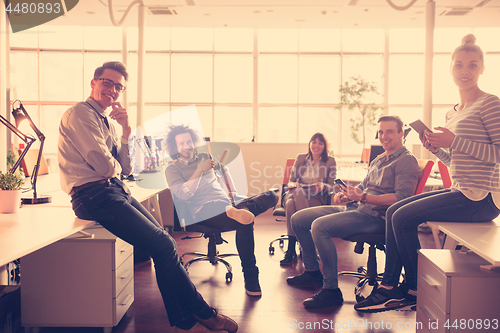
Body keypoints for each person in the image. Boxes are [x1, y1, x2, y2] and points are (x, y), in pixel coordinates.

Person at [58, 61, 237, 333]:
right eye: (107, 83)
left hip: (112, 189)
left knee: (164, 245)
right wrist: (114, 164)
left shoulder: (105, 120)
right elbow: (106, 166)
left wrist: (127, 129)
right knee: (164, 244)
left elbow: (125, 168)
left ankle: (185, 319)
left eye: (119, 87)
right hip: (93, 195)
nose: (113, 90)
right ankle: (204, 313)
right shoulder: (81, 114)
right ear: (93, 82)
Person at [354, 34, 500, 313]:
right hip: (461, 189)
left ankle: (410, 289)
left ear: (482, 68)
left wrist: (454, 141)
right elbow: (457, 159)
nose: (465, 71)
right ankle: (388, 286)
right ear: (451, 70)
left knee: (402, 216)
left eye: (472, 65)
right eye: (458, 65)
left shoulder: (490, 103)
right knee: (396, 210)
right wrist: (436, 149)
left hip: (482, 198)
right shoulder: (452, 113)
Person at [286, 116, 421, 309]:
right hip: (358, 207)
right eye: (381, 132)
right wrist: (348, 195)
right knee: (298, 219)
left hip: (376, 217)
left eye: (389, 131)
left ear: (402, 134)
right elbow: (364, 186)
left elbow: (401, 198)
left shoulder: (406, 160)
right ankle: (313, 271)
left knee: (319, 227)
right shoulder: (379, 158)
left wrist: (363, 197)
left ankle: (331, 290)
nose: (384, 136)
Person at [165, 124, 279, 297]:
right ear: (175, 147)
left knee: (271, 196)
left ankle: (236, 209)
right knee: (244, 221)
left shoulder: (205, 156)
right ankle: (251, 276)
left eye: (189, 141)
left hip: (224, 202)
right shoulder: (173, 169)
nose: (186, 146)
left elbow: (224, 170)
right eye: (181, 143)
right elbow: (184, 195)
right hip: (202, 211)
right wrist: (199, 171)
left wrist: (232, 192)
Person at [279, 133, 337, 265]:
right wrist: (294, 185)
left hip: (315, 196)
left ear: (324, 146)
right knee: (297, 193)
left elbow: (332, 186)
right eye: (314, 142)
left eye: (320, 143)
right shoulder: (300, 158)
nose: (316, 146)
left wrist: (323, 186)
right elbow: (291, 182)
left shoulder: (330, 161)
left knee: (290, 206)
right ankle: (307, 246)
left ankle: (291, 249)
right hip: (295, 192)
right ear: (310, 143)